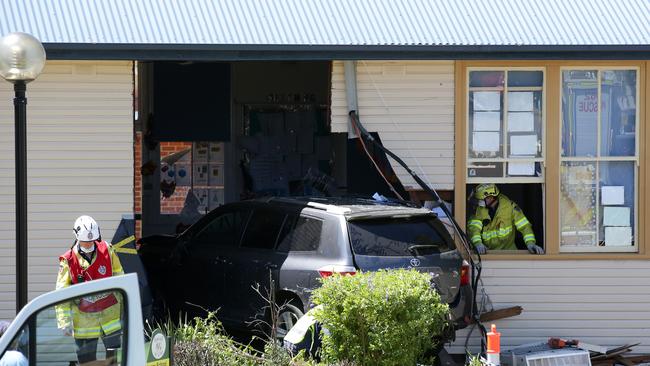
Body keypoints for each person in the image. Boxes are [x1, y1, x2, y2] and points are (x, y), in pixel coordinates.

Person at [55, 216, 124, 364]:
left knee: (115, 361)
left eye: (92, 240)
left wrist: (125, 309)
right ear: (77, 237)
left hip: (110, 319)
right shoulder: (68, 260)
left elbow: (121, 278)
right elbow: (61, 293)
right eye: (86, 241)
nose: (89, 244)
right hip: (84, 323)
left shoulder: (108, 250)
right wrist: (64, 322)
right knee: (87, 362)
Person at [468, 184, 544, 255]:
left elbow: (525, 226)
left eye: (480, 200)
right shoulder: (479, 210)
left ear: (490, 198)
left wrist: (530, 243)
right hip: (488, 253)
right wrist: (477, 243)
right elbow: (473, 228)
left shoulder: (510, 207)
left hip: (509, 253)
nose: (478, 203)